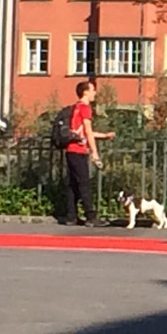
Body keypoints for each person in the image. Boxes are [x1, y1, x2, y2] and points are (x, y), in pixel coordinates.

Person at [63, 78, 112, 225]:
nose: (94, 93)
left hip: (70, 149)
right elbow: (88, 131)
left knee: (73, 184)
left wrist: (103, 136)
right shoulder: (85, 108)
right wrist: (94, 152)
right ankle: (91, 216)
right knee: (84, 183)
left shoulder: (75, 108)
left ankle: (71, 216)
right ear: (85, 92)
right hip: (79, 150)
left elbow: (82, 131)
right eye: (92, 90)